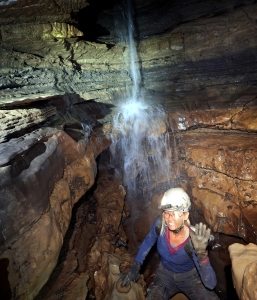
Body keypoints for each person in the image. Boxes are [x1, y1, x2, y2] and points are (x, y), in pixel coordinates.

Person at [119, 187, 219, 300]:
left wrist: (202, 254)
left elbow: (210, 284)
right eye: (166, 213)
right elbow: (148, 242)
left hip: (190, 278)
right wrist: (136, 266)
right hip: (164, 276)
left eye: (174, 214)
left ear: (185, 215)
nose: (169, 218)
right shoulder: (159, 225)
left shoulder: (194, 241)